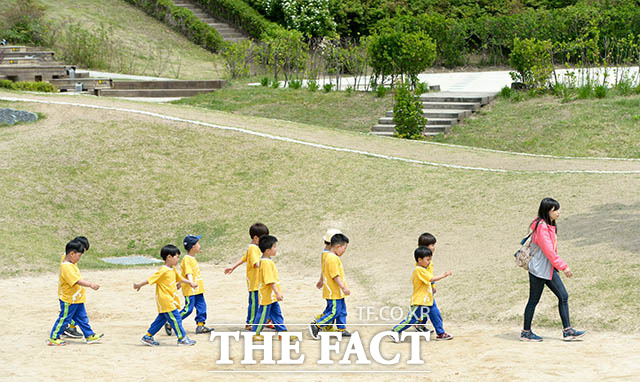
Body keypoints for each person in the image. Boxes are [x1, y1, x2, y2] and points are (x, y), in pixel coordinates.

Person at [521, 197, 586, 342]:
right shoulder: (542, 227)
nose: (558, 212)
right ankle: (526, 332)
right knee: (533, 300)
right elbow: (549, 251)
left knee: (563, 296)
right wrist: (564, 267)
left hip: (547, 269)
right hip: (539, 270)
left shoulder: (546, 224)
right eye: (555, 210)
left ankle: (568, 331)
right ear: (547, 211)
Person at [134, 245, 198, 346]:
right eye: (176, 257)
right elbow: (150, 279)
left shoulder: (173, 269)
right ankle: (182, 338)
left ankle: (147, 337)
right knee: (176, 319)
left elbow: (179, 278)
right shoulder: (163, 270)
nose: (178, 259)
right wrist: (139, 285)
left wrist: (190, 283)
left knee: (161, 320)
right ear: (169, 257)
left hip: (171, 300)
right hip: (166, 300)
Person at [388, 246, 451, 342]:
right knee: (412, 319)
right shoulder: (419, 270)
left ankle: (441, 333)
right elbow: (431, 279)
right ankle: (395, 331)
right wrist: (444, 275)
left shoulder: (424, 269)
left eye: (430, 259)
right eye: (427, 260)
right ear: (420, 259)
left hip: (429, 300)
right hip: (420, 301)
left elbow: (428, 282)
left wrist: (432, 288)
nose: (429, 262)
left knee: (436, 315)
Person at [48, 240, 103, 346]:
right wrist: (90, 284)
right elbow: (76, 281)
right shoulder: (66, 267)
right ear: (72, 254)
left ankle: (89, 335)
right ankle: (54, 337)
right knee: (64, 318)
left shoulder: (71, 264)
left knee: (83, 318)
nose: (79, 259)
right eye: (79, 256)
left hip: (77, 299)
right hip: (69, 300)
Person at [164, 234, 213, 336]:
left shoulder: (192, 258)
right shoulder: (187, 259)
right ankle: (170, 322)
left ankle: (200, 325)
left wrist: (180, 283)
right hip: (191, 289)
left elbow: (184, 274)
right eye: (197, 243)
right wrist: (191, 283)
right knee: (188, 309)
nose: (199, 245)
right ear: (193, 247)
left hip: (198, 289)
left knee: (202, 307)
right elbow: (188, 273)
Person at [224, 222, 269, 329]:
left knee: (264, 301)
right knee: (254, 303)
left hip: (259, 282)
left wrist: (233, 267)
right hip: (255, 282)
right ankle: (250, 322)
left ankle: (265, 320)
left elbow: (243, 259)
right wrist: (267, 265)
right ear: (255, 238)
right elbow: (255, 263)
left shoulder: (255, 247)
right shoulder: (253, 248)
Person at [251, 235, 296, 341]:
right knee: (263, 314)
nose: (276, 249)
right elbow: (270, 280)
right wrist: (277, 293)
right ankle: (254, 333)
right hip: (267, 295)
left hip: (271, 296)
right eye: (274, 247)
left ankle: (282, 332)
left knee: (277, 313)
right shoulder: (266, 263)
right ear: (267, 250)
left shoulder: (267, 261)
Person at [309, 233, 351, 339]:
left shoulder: (330, 256)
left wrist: (321, 280)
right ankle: (317, 325)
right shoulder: (332, 259)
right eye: (344, 248)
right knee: (334, 312)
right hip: (334, 292)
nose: (344, 251)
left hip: (337, 293)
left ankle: (341, 329)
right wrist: (343, 287)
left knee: (342, 311)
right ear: (337, 247)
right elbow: (335, 276)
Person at [415, 232, 454, 340]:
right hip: (424, 292)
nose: (434, 248)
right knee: (434, 312)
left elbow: (429, 277)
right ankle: (440, 333)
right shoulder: (424, 263)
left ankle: (420, 324)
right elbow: (429, 277)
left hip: (426, 292)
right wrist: (443, 275)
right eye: (432, 245)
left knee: (425, 310)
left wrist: (432, 286)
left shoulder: (426, 261)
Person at [61, 236, 91, 339]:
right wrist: (89, 284)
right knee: (69, 314)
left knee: (78, 314)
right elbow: (74, 279)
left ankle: (73, 328)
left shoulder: (70, 260)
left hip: (75, 295)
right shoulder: (67, 263)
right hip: (70, 295)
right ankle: (63, 331)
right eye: (81, 253)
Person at [314, 228, 342, 332]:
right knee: (333, 309)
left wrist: (321, 279)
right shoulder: (330, 256)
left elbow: (323, 269)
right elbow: (329, 271)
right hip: (332, 286)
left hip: (328, 284)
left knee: (332, 307)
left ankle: (325, 322)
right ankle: (321, 322)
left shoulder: (325, 253)